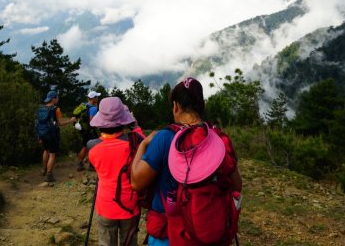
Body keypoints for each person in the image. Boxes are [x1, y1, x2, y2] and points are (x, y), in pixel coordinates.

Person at [130, 77, 242, 245]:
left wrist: (143, 145)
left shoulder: (164, 138)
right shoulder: (218, 139)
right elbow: (236, 185)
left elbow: (136, 183)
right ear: (202, 104)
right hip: (209, 229)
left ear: (175, 106)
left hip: (170, 234)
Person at [87, 97, 143, 246]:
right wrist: (135, 126)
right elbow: (145, 149)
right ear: (124, 121)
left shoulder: (91, 146)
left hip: (105, 204)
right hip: (130, 204)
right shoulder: (135, 142)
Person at [37, 89, 77, 182]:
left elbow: (39, 122)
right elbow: (60, 123)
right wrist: (71, 121)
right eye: (57, 97)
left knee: (45, 150)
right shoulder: (56, 109)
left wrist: (39, 135)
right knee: (52, 154)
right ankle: (49, 175)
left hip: (43, 133)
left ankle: (44, 169)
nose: (58, 99)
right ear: (53, 98)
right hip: (52, 134)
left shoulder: (42, 108)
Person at [76, 90, 101, 171]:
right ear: (93, 98)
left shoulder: (85, 106)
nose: (98, 98)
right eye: (96, 97)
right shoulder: (93, 108)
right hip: (90, 130)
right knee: (95, 147)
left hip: (84, 129)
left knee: (84, 147)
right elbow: (92, 121)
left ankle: (80, 164)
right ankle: (92, 165)